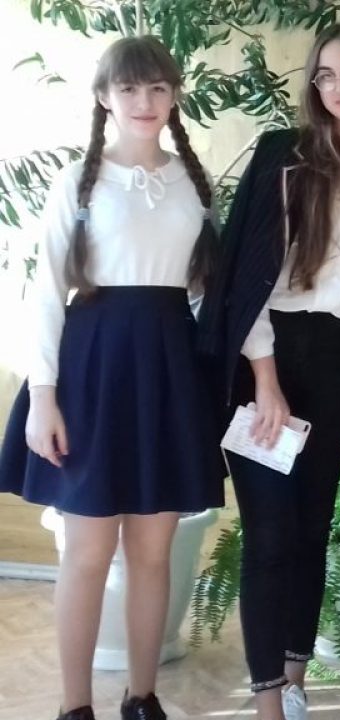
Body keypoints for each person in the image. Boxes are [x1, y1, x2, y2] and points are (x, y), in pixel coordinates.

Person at [197, 22, 340, 720]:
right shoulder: (282, 156)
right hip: (265, 357)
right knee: (269, 537)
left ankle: (293, 681)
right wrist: (265, 383)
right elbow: (244, 278)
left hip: (337, 364)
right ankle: (268, 701)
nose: (339, 86)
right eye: (325, 74)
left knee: (312, 528)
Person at [0, 35, 223, 720]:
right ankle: (75, 707)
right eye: (129, 88)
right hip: (91, 373)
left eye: (158, 87)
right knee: (88, 552)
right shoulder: (78, 180)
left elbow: (208, 295)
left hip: (168, 374)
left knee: (153, 552)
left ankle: (141, 696)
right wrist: (43, 397)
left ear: (175, 95)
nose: (144, 101)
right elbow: (45, 292)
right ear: (104, 97)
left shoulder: (196, 185)